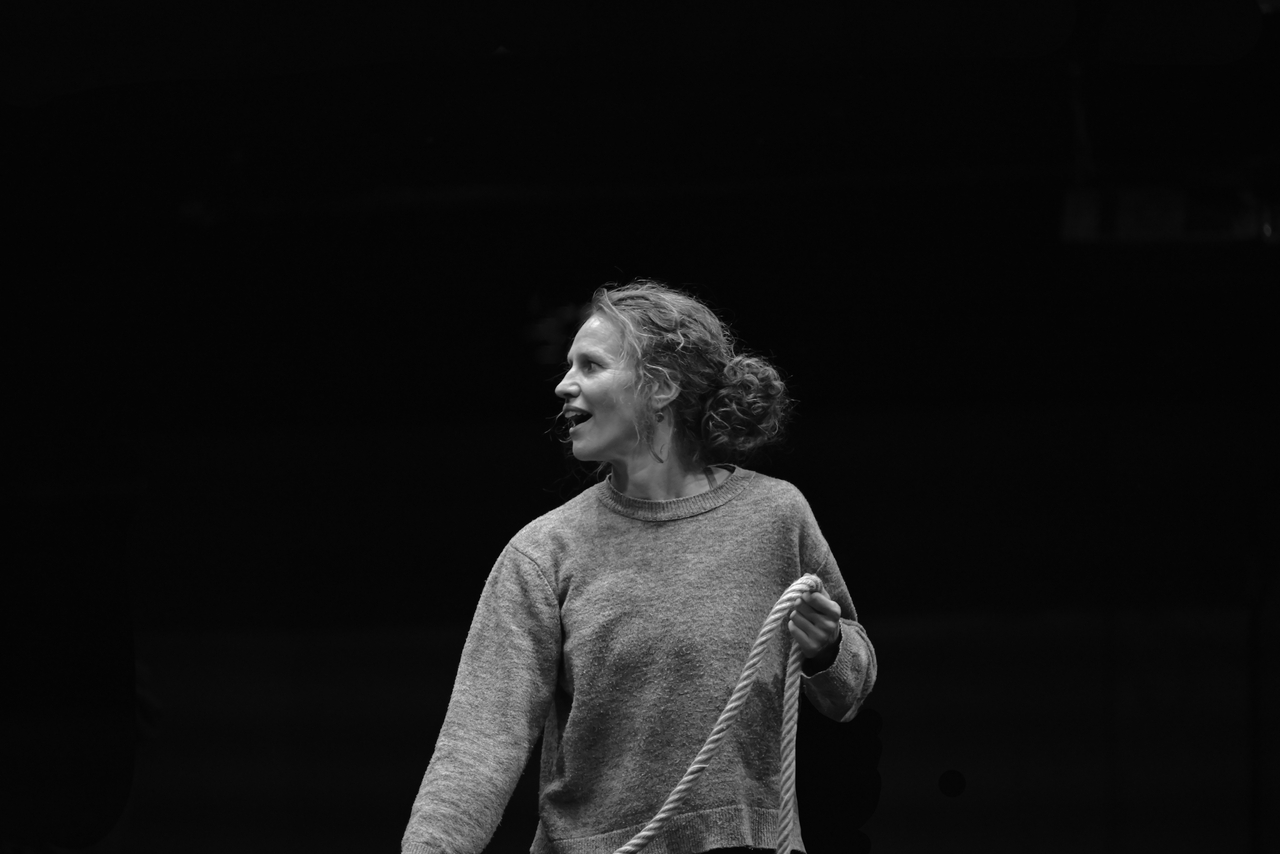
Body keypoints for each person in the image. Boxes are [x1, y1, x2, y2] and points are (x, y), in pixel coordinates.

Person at [401, 279, 877, 854]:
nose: (563, 384)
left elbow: (849, 691)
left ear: (662, 385)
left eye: (591, 365)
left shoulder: (775, 515)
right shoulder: (544, 551)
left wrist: (828, 647)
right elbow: (478, 743)